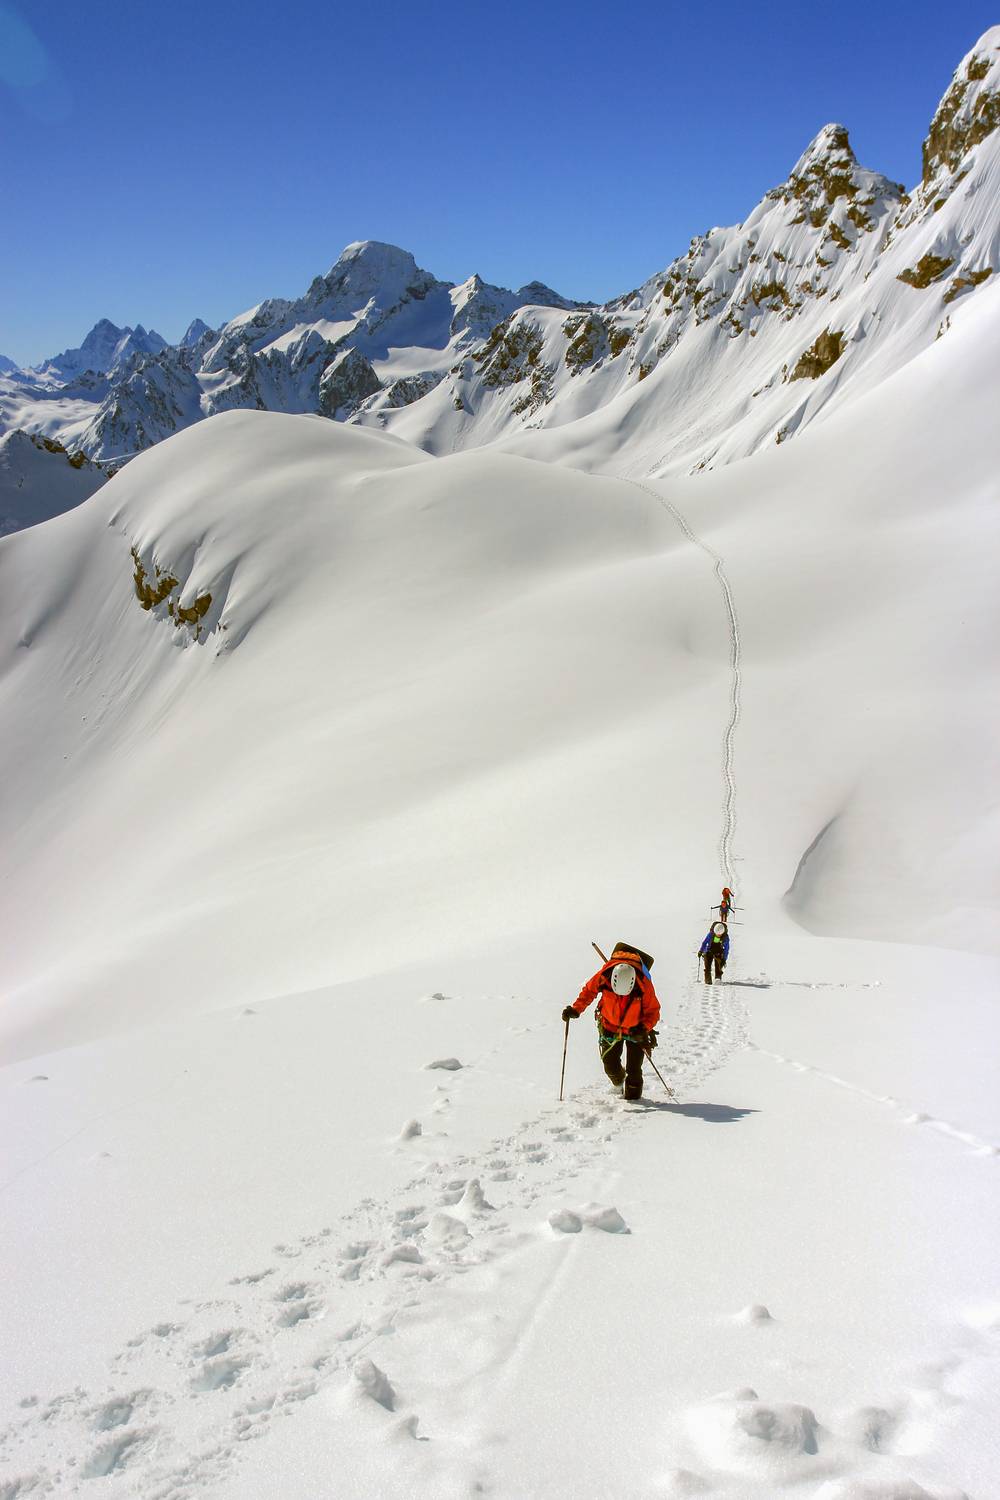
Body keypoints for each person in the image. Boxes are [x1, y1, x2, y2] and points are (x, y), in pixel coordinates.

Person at [562, 942, 660, 1100]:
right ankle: (619, 1083)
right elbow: (589, 991)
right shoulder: (605, 974)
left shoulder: (644, 983)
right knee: (610, 1066)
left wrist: (644, 1028)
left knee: (634, 1071)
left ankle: (634, 1102)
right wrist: (576, 1009)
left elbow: (653, 1011)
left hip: (636, 1030)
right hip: (609, 1025)